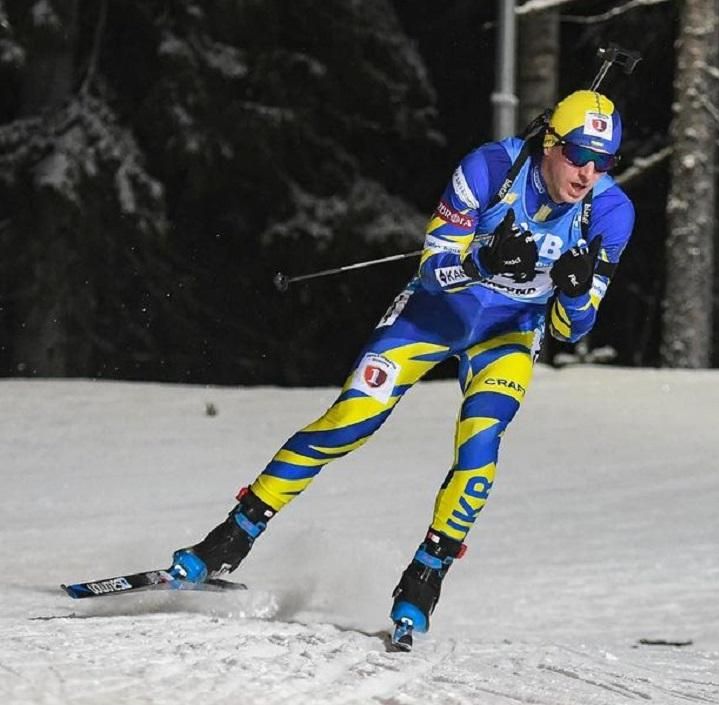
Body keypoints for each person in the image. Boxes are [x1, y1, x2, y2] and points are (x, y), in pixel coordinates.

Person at [168, 90, 635, 650]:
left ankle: (423, 580)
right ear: (550, 143)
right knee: (351, 421)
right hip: (432, 316)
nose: (588, 173)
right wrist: (481, 261)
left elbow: (569, 328)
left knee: (480, 448)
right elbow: (433, 269)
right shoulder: (490, 168)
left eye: (603, 161)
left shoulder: (610, 213)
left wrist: (577, 290)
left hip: (507, 334)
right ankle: (229, 538)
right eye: (579, 154)